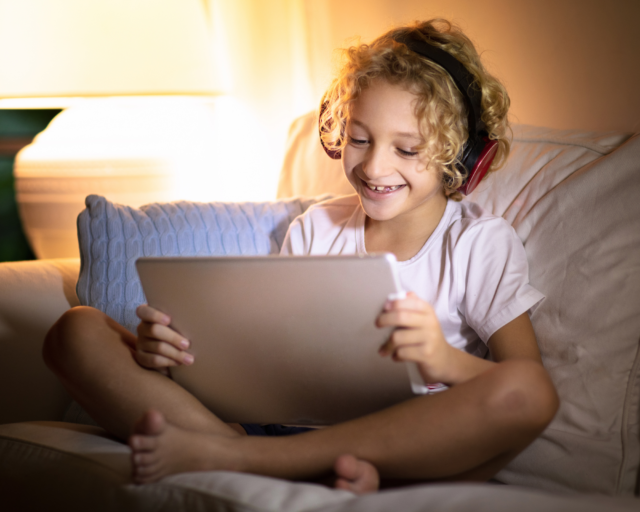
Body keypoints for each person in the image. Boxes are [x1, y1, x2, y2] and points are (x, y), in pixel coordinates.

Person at [43, 19, 558, 494]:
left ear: (462, 156)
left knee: (532, 394)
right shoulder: (316, 227)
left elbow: (525, 379)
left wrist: (443, 360)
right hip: (277, 424)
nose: (375, 165)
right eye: (359, 138)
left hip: (405, 444)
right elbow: (268, 360)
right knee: (76, 332)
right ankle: (248, 452)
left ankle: (245, 459)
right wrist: (176, 358)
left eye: (406, 149)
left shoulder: (478, 243)